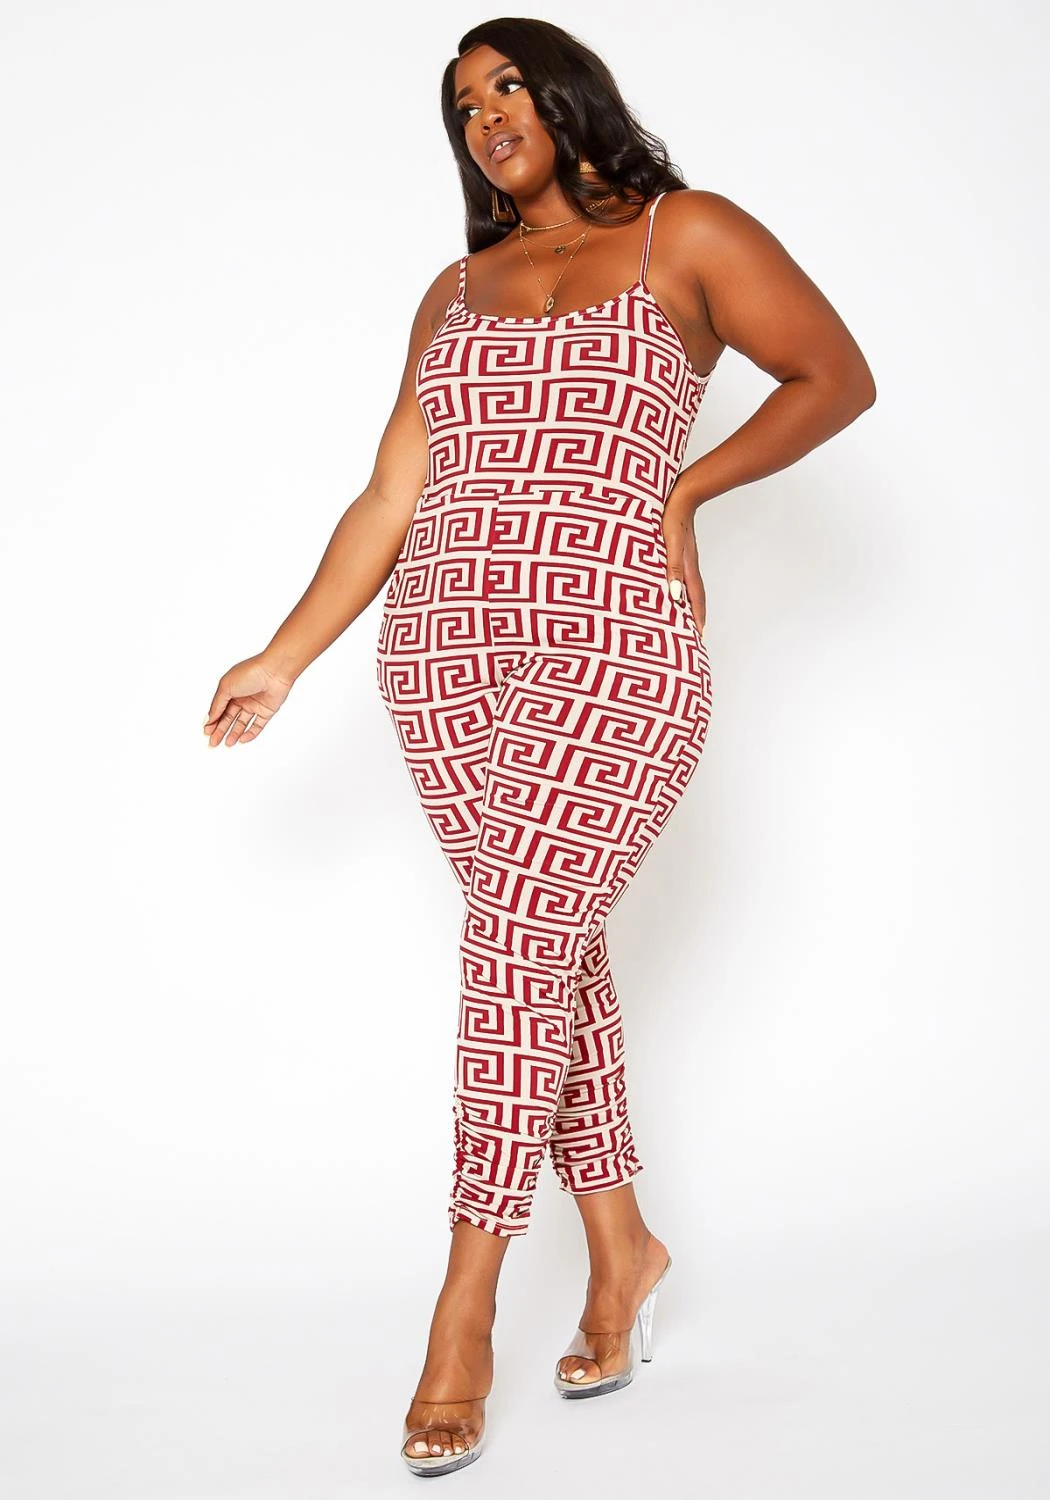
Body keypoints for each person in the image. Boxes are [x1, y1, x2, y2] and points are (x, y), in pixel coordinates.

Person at [201, 17, 876, 1479]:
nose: (487, 115)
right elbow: (391, 495)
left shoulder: (686, 234)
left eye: (507, 85)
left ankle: (464, 1308)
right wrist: (284, 654)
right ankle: (621, 1247)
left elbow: (833, 377)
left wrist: (683, 491)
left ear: (569, 95)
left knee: (514, 944)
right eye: (461, 105)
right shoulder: (453, 290)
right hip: (443, 660)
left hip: (617, 647)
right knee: (543, 950)